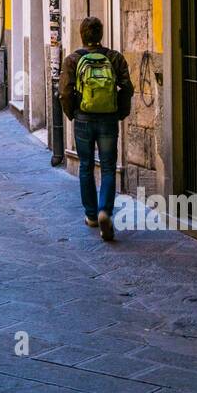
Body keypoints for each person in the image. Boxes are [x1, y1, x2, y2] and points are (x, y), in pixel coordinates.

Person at [60, 16, 134, 242]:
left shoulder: (72, 60)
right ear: (101, 35)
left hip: (83, 119)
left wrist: (72, 113)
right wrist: (120, 113)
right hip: (108, 119)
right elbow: (127, 88)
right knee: (109, 167)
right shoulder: (114, 58)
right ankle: (105, 211)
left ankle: (91, 215)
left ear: (82, 35)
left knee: (85, 165)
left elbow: (64, 92)